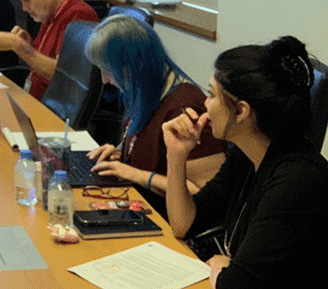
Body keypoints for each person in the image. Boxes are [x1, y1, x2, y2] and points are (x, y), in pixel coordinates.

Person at [163, 36, 328, 289]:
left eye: (212, 95)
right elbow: (184, 224)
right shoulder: (247, 155)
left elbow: (236, 285)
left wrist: (221, 265)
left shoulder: (298, 179)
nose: (205, 104)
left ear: (240, 111)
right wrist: (176, 156)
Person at [82, 15, 224, 216]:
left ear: (137, 64)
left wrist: (134, 174)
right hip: (138, 206)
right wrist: (121, 155)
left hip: (165, 222)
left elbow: (203, 193)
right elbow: (153, 153)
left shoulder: (185, 108)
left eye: (108, 71)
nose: (105, 80)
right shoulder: (144, 92)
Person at [0, 0, 98, 98]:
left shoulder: (79, 14)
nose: (25, 8)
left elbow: (65, 75)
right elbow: (42, 63)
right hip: (35, 99)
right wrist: (29, 45)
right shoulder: (49, 12)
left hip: (54, 108)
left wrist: (19, 46)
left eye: (27, 0)